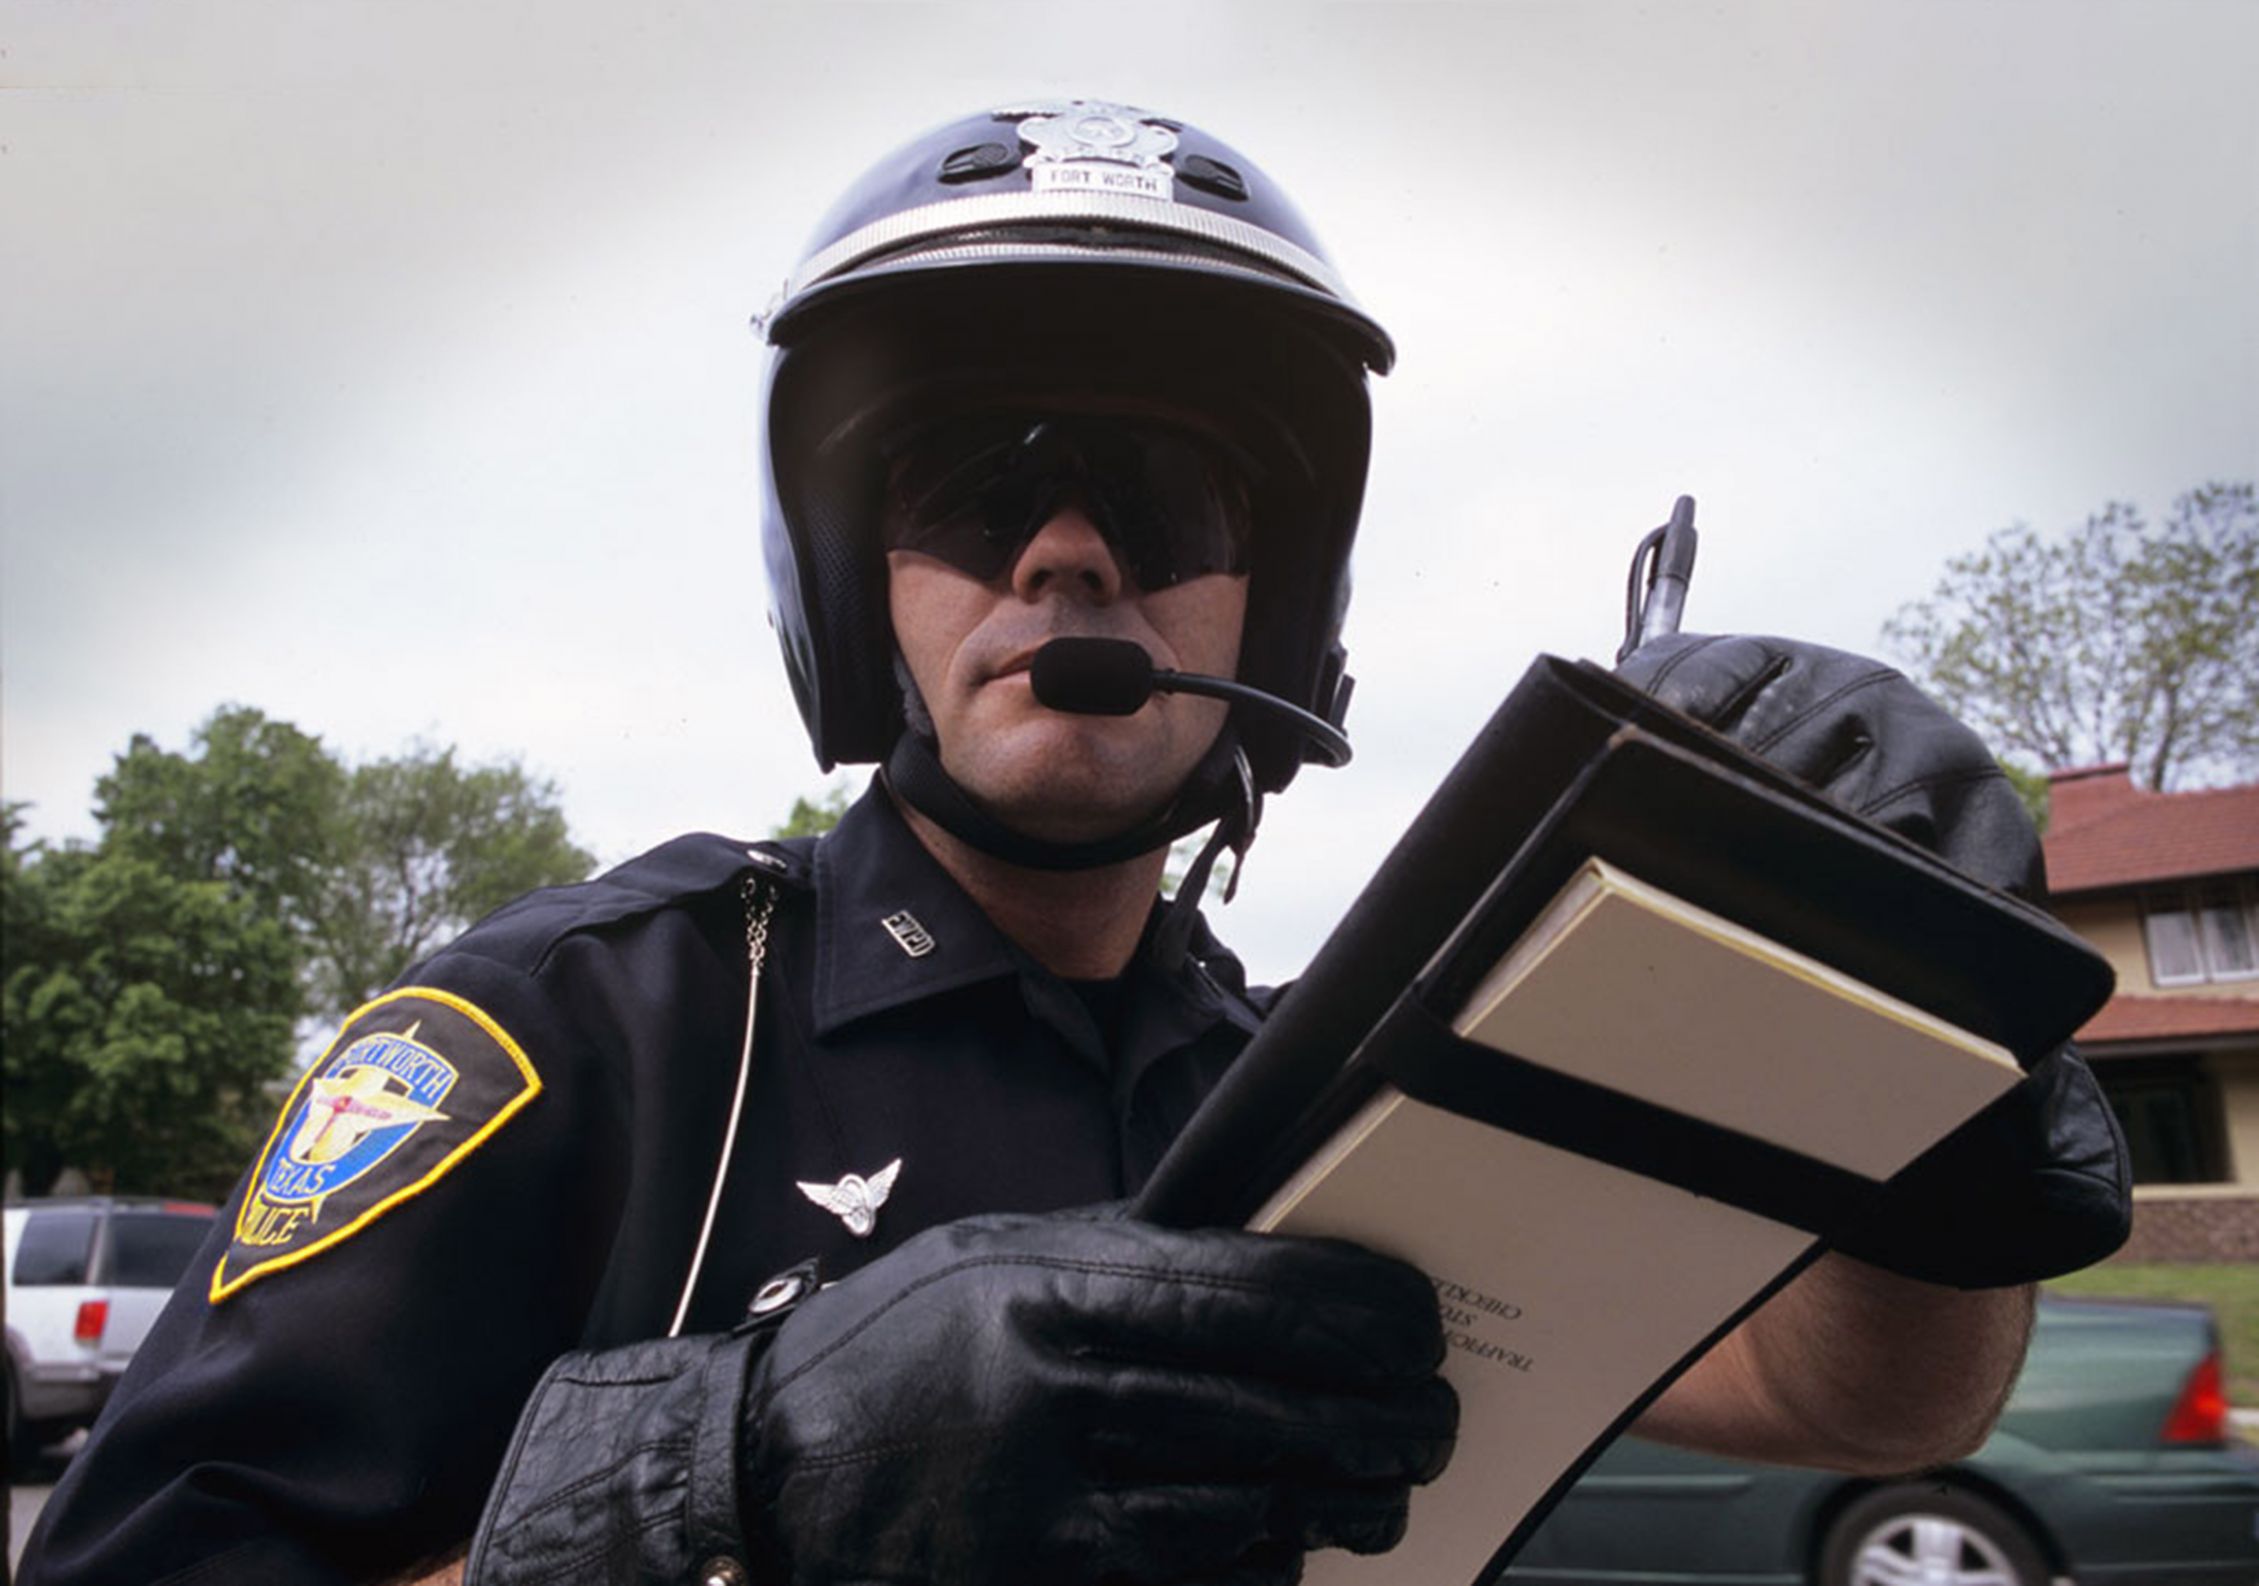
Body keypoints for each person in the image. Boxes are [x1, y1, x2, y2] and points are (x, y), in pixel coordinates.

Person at [19, 99, 2127, 1586]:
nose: (1066, 548)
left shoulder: (1334, 1092)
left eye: (1165, 499)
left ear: (1263, 608)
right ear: (861, 599)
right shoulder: (581, 1027)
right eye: (970, 490)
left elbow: (1854, 1406)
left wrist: (1913, 1044)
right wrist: (728, 1477)